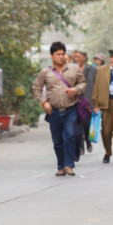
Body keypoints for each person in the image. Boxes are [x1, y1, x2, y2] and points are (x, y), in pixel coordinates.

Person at [31, 42, 86, 177]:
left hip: (70, 109)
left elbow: (83, 83)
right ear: (52, 56)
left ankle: (69, 165)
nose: (61, 57)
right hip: (54, 111)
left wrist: (75, 90)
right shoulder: (45, 72)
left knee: (70, 135)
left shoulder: (74, 69)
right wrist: (44, 102)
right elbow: (36, 88)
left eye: (63, 54)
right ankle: (60, 166)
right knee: (57, 141)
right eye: (58, 54)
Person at [72, 50, 97, 158]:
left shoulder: (92, 70)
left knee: (87, 125)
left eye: (78, 56)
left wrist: (97, 103)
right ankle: (80, 147)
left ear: (84, 57)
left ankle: (88, 140)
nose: (76, 58)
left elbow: (97, 86)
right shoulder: (71, 69)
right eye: (75, 56)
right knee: (78, 126)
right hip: (76, 102)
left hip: (89, 102)